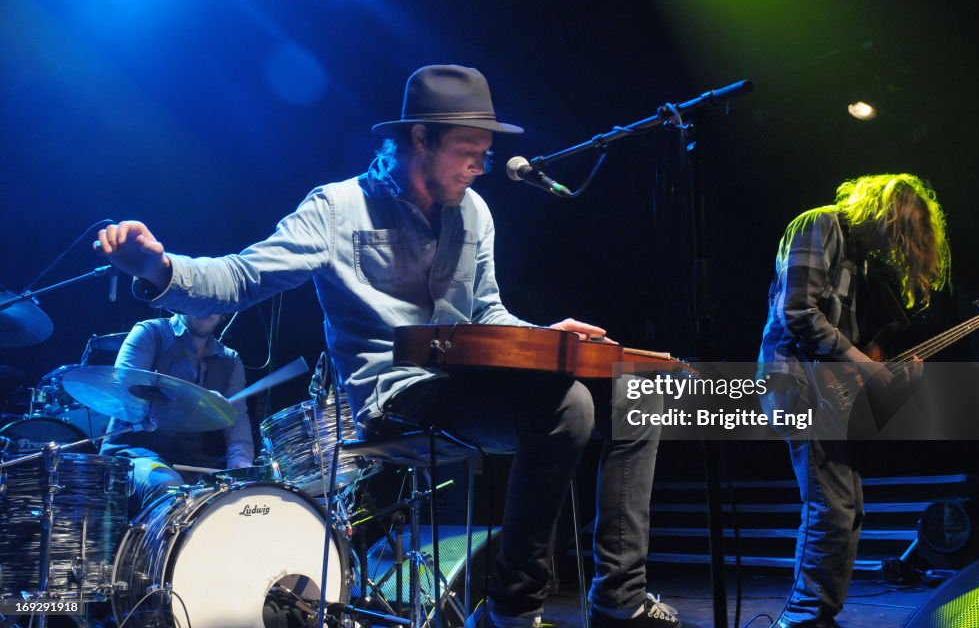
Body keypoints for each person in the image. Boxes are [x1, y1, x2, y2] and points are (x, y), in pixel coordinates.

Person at [95, 65, 681, 628]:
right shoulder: (336, 207)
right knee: (564, 405)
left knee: (638, 397)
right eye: (469, 147)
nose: (482, 163)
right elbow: (242, 277)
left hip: (468, 385)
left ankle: (617, 602)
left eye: (487, 150)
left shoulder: (474, 211)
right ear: (420, 138)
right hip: (394, 393)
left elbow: (487, 313)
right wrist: (160, 267)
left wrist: (545, 336)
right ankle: (510, 608)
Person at [757, 174, 950, 628]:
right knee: (831, 503)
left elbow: (849, 343)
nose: (897, 244)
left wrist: (890, 372)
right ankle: (804, 617)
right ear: (883, 212)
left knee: (848, 505)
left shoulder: (858, 259)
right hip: (794, 382)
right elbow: (797, 313)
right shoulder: (819, 225)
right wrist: (866, 366)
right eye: (899, 230)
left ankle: (818, 612)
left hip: (822, 387)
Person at [100, 312, 255, 508]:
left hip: (189, 461)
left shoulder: (230, 360)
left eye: (215, 301)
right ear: (181, 300)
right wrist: (194, 400)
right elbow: (124, 397)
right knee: (167, 485)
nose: (207, 308)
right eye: (199, 298)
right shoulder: (149, 333)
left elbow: (237, 418)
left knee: (242, 496)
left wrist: (240, 462)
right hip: (132, 455)